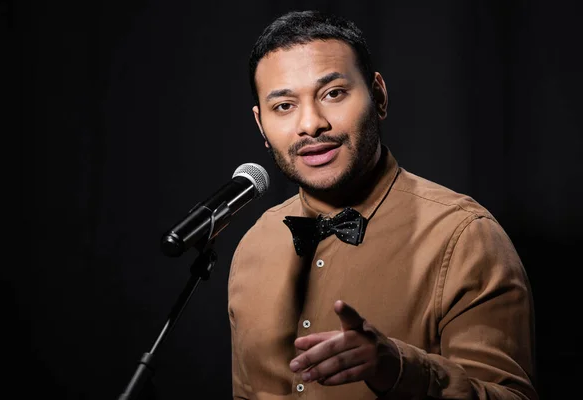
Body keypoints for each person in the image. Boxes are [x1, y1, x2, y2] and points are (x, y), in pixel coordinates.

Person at [228, 10, 537, 400]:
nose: (311, 124)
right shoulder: (253, 247)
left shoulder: (466, 237)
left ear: (378, 96)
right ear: (261, 126)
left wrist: (399, 370)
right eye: (284, 106)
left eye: (333, 93)